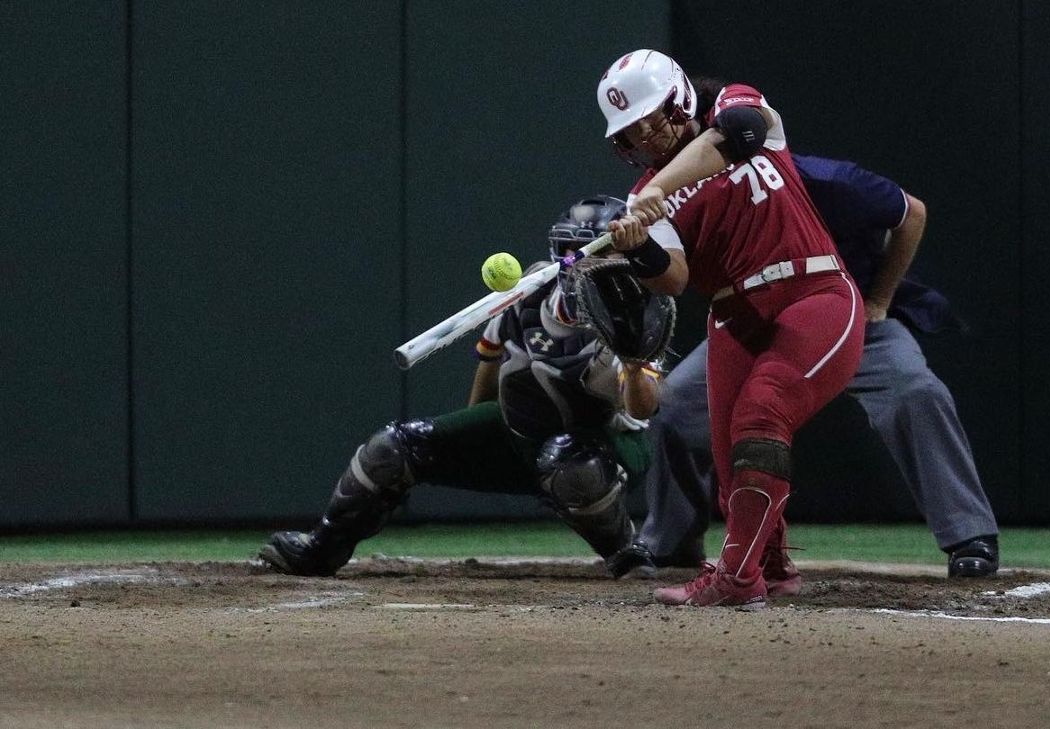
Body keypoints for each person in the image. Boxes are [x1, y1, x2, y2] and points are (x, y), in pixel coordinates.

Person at [258, 196, 666, 579]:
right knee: (392, 447)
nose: (586, 266)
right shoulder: (531, 294)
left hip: (605, 443)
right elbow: (490, 359)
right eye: (579, 254)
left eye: (603, 254)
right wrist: (473, 431)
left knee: (569, 464)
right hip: (520, 430)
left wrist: (631, 361)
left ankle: (626, 553)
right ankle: (324, 548)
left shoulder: (639, 313)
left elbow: (643, 408)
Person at [636, 150, 1000, 579]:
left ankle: (969, 533)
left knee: (917, 392)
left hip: (848, 318)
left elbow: (911, 213)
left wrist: (879, 300)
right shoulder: (707, 196)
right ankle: (670, 541)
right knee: (677, 404)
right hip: (758, 327)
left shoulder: (826, 180)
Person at [596, 49, 866, 609]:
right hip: (734, 318)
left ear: (681, 99)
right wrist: (638, 244)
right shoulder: (644, 195)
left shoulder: (734, 104)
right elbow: (672, 279)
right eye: (632, 132)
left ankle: (736, 579)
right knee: (729, 456)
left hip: (813, 292)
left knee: (762, 413)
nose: (646, 137)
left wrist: (657, 191)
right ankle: (773, 564)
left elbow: (741, 132)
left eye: (652, 119)